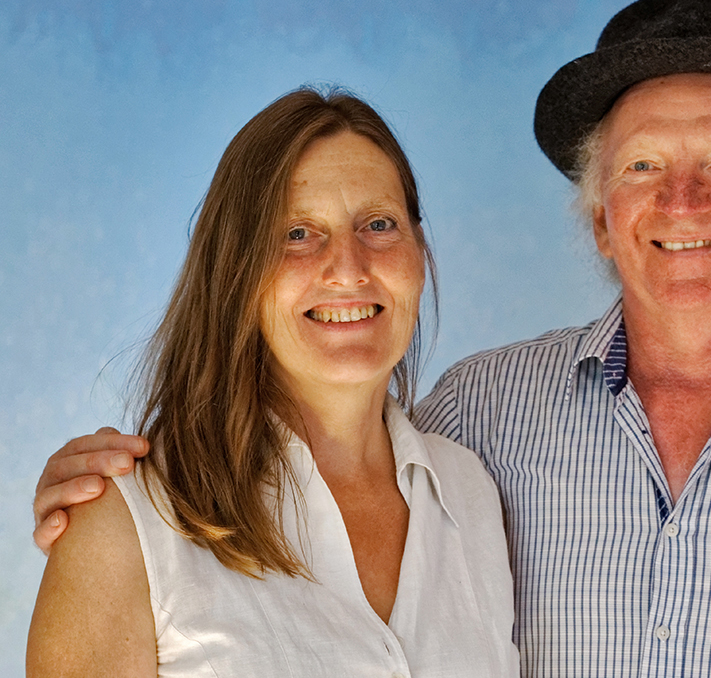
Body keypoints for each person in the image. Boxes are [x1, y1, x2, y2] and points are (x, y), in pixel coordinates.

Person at [32, 0, 711, 677]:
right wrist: (108, 506)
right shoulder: (480, 416)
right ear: (602, 218)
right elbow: (297, 444)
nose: (683, 201)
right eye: (643, 167)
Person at [26, 89, 519, 677]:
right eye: (298, 234)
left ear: (420, 251)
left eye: (379, 224)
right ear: (235, 271)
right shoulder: (123, 522)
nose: (348, 269)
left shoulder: (472, 493)